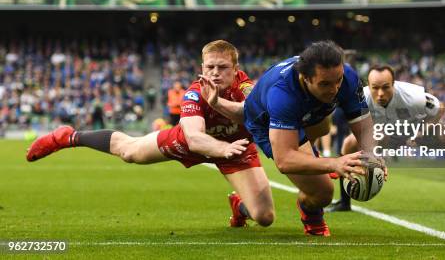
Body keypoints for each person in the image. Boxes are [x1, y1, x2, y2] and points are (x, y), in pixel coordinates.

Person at [26, 40, 275, 228]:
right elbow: (194, 137)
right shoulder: (193, 93)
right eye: (210, 67)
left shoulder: (246, 87)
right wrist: (221, 148)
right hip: (194, 143)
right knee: (129, 151)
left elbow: (253, 110)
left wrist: (225, 131)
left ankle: (239, 206)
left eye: (223, 67)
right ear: (202, 67)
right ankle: (68, 137)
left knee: (265, 217)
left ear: (236, 69)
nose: (215, 73)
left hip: (236, 149)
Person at [201, 41, 385, 236]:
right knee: (323, 193)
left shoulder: (347, 77)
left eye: (338, 80)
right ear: (305, 77)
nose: (335, 89)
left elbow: (363, 124)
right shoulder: (282, 95)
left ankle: (313, 160)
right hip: (266, 121)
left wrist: (373, 156)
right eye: (325, 83)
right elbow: (285, 160)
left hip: (309, 112)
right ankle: (310, 213)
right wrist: (334, 164)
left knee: (323, 126)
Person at [326, 65, 442, 212]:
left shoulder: (413, 96)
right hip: (384, 134)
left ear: (394, 84)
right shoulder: (362, 97)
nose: (380, 93)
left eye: (386, 87)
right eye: (375, 87)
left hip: (413, 130)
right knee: (349, 144)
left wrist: (422, 130)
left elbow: (440, 108)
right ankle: (344, 202)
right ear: (368, 86)